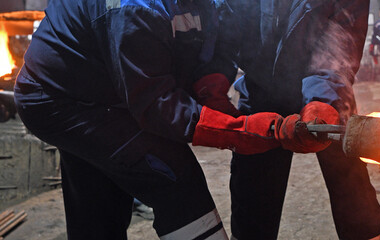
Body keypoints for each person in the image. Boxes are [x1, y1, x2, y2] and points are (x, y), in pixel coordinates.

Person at [13, 0, 323, 239]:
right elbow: (158, 107)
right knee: (173, 175)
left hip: (112, 87)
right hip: (63, 100)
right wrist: (241, 130)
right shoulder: (133, 10)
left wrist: (212, 92)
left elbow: (211, 45)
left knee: (99, 200)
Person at [214, 0, 380, 239]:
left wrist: (322, 101)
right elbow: (223, 29)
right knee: (254, 192)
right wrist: (213, 78)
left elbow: (341, 41)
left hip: (328, 93)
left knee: (350, 186)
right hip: (260, 92)